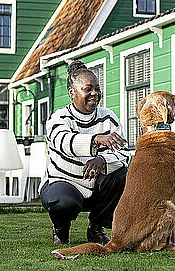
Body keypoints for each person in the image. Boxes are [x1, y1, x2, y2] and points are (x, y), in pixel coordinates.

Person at [40, 60, 130, 245]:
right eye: (88, 89)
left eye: (97, 88)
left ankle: (96, 228)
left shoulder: (108, 117)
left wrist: (101, 160)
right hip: (64, 182)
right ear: (72, 92)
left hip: (96, 185)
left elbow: (124, 153)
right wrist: (96, 140)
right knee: (63, 203)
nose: (95, 93)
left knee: (122, 175)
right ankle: (60, 228)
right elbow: (62, 141)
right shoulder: (59, 118)